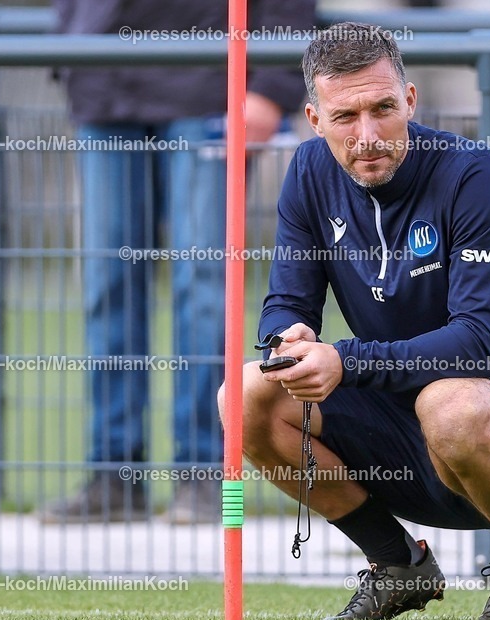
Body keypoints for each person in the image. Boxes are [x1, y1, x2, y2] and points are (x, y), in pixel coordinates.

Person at [219, 22, 490, 620]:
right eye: (345, 117)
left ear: (410, 100)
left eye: (383, 109)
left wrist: (345, 360)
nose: (368, 136)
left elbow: (475, 345)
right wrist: (287, 340)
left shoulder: (475, 175)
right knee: (245, 394)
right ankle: (397, 565)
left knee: (451, 404)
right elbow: (287, 303)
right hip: (409, 429)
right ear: (314, 120)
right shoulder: (309, 173)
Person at [41, 0, 316, 524]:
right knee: (108, 284)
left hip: (207, 86)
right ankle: (114, 476)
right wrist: (72, 46)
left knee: (204, 285)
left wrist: (273, 86)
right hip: (103, 84)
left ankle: (203, 475)